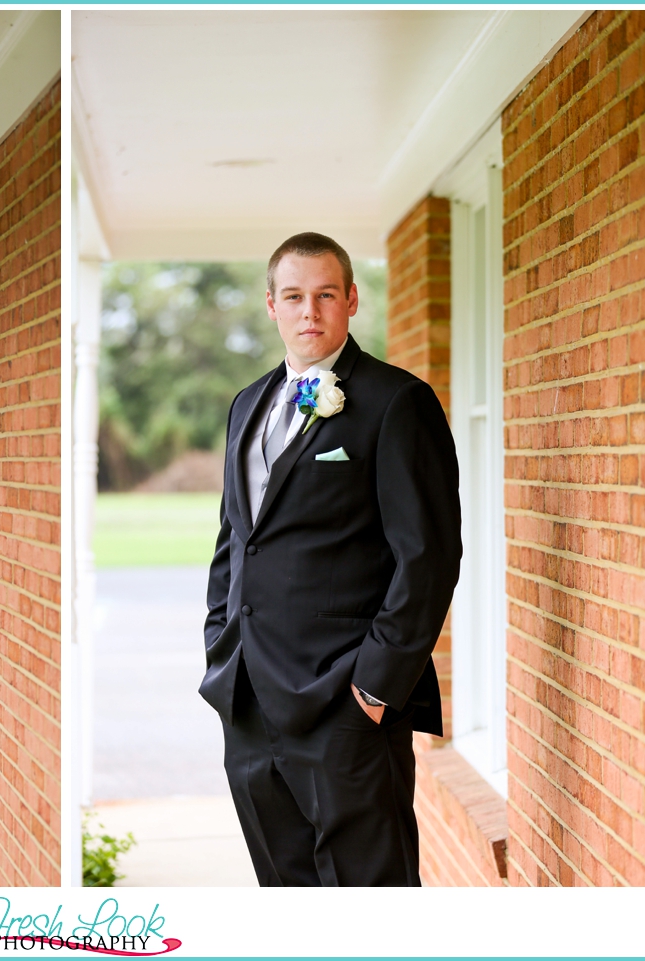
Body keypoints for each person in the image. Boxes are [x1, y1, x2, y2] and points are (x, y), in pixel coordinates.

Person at [200, 232, 461, 886]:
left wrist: (374, 687)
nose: (308, 311)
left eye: (324, 295)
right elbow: (236, 539)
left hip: (345, 708)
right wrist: (218, 644)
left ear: (350, 300)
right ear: (271, 306)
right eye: (293, 296)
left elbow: (428, 556)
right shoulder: (246, 405)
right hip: (251, 702)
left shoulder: (396, 402)